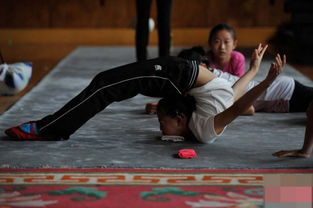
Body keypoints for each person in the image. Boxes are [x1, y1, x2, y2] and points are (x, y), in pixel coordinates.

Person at [5, 44, 283, 145]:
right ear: (179, 120)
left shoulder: (200, 124)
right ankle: (53, 129)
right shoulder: (208, 129)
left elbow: (235, 99)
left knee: (105, 84)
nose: (160, 125)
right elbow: (237, 98)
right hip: (177, 74)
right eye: (164, 123)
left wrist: (265, 78)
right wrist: (259, 72)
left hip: (176, 76)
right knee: (105, 83)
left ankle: (52, 128)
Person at [179, 46, 313, 114]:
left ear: (202, 66)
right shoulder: (207, 78)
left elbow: (249, 110)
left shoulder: (213, 80)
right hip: (282, 92)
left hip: (285, 94)